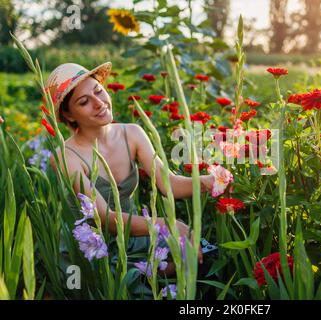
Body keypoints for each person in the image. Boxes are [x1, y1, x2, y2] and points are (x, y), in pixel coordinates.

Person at [47, 62, 214, 294]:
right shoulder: (65, 156)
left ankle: (156, 273)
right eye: (83, 102)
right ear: (67, 114)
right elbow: (105, 218)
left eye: (98, 91)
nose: (98, 103)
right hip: (94, 249)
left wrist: (207, 182)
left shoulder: (132, 133)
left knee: (204, 255)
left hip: (135, 236)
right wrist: (168, 226)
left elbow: (169, 184)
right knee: (137, 284)